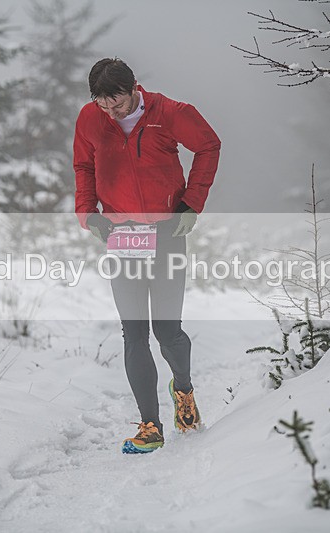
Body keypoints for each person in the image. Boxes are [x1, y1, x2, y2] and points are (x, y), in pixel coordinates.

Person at [73, 58, 221, 454]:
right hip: (122, 234)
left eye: (117, 103)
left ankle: (184, 392)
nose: (111, 112)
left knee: (167, 332)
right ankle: (150, 425)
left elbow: (209, 145)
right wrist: (88, 213)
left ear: (134, 88)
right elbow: (83, 165)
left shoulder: (170, 113)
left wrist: (192, 204)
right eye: (102, 104)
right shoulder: (89, 119)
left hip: (166, 232)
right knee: (134, 332)